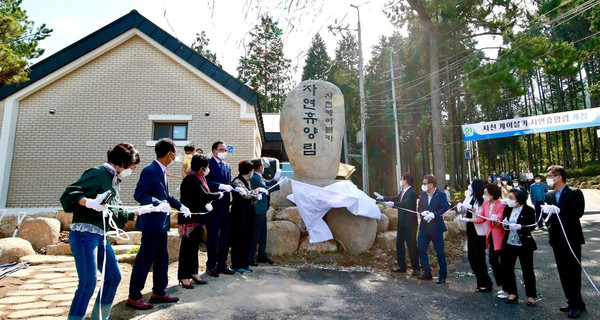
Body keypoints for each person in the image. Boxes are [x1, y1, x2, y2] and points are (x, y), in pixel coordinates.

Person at [60, 143, 140, 320]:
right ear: (123, 162)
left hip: (100, 235)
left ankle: (99, 317)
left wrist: (142, 211)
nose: (132, 169)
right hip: (84, 234)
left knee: (113, 277)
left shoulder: (113, 182)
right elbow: (70, 192)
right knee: (88, 282)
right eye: (132, 165)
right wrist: (88, 202)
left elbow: (116, 214)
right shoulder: (97, 173)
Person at [128, 138, 189, 309]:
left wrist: (180, 206)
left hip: (162, 224)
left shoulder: (162, 170)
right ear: (169, 153)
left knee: (163, 258)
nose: (176, 155)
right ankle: (134, 295)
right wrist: (156, 203)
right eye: (175, 152)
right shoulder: (150, 170)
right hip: (151, 223)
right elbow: (139, 194)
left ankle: (159, 291)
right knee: (145, 259)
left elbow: (166, 197)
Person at [543, 165, 586, 319]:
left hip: (572, 237)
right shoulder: (549, 195)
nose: (548, 178)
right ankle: (572, 301)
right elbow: (546, 216)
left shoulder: (575, 193)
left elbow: (578, 212)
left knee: (573, 271)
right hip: (557, 239)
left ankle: (576, 304)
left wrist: (560, 211)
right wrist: (547, 218)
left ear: (559, 176)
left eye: (550, 175)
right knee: (563, 271)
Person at [178, 154, 223, 289]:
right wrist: (217, 195)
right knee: (186, 248)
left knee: (194, 247)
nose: (208, 169)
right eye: (207, 166)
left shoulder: (199, 178)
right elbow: (202, 196)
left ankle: (193, 272)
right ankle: (183, 275)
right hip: (189, 219)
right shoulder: (191, 179)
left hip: (198, 218)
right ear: (201, 168)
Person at [376, 173, 419, 276]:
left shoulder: (412, 193)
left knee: (411, 246)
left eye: (402, 179)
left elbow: (405, 203)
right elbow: (395, 198)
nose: (400, 181)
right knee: (399, 245)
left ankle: (416, 268)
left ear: (406, 181)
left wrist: (394, 204)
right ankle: (402, 266)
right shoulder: (403, 192)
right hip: (402, 224)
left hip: (410, 225)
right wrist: (383, 198)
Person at [455, 179, 493, 292]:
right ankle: (480, 281)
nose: (469, 186)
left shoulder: (483, 199)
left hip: (479, 230)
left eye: (471, 185)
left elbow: (482, 216)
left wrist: (472, 209)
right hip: (470, 229)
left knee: (479, 257)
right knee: (471, 257)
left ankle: (485, 283)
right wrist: (461, 207)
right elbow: (463, 209)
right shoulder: (470, 196)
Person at [501, 189, 537, 306]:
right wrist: (505, 223)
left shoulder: (529, 210)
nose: (509, 200)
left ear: (519, 199)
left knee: (527, 269)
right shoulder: (508, 208)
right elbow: (504, 221)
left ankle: (531, 296)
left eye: (511, 198)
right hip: (509, 243)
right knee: (507, 268)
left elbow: (531, 226)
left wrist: (520, 227)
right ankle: (513, 293)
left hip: (524, 244)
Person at [204, 141, 235, 277]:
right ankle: (211, 265)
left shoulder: (227, 166)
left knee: (225, 236)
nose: (224, 151)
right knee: (213, 236)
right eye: (221, 149)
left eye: (225, 149)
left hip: (225, 206)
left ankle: (222, 263)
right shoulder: (208, 164)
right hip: (213, 206)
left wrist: (235, 187)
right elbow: (206, 182)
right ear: (214, 151)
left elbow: (229, 183)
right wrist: (221, 186)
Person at [475, 183, 506, 298]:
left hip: (501, 237)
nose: (484, 195)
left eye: (486, 193)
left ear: (492, 194)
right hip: (491, 236)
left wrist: (495, 220)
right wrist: (468, 219)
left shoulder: (501, 204)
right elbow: (481, 218)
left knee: (503, 262)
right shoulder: (486, 203)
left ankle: (506, 287)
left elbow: (499, 218)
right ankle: (503, 284)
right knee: (493, 260)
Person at [416, 174, 449, 284]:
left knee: (439, 251)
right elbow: (419, 207)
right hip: (425, 227)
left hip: (436, 228)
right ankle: (426, 272)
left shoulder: (441, 195)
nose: (423, 185)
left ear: (431, 185)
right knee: (421, 248)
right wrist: (422, 212)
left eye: (425, 183)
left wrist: (434, 215)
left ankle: (442, 275)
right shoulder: (423, 195)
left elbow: (444, 208)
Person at [248, 158, 280, 266]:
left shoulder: (259, 177)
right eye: (262, 165)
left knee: (263, 234)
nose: (264, 167)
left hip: (262, 209)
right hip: (258, 210)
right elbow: (266, 189)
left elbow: (267, 184)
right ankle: (250, 257)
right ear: (259, 167)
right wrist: (279, 185)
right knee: (256, 234)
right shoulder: (254, 178)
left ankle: (262, 255)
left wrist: (275, 180)